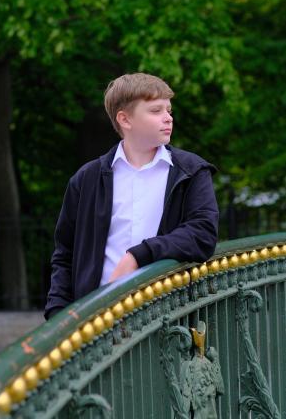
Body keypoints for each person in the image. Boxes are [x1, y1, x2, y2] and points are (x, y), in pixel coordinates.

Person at [44, 73, 219, 320]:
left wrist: (138, 255)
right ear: (125, 119)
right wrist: (56, 314)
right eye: (156, 110)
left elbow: (203, 234)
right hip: (99, 319)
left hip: (165, 316)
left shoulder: (191, 171)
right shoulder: (86, 179)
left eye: (168, 110)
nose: (168, 117)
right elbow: (65, 255)